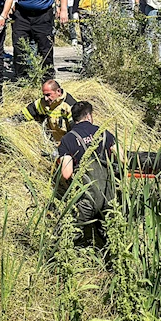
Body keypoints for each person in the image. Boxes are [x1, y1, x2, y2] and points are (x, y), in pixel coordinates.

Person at [57, 101, 117, 247]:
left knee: (69, 235)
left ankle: (65, 263)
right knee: (112, 237)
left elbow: (66, 173)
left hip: (87, 197)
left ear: (74, 118)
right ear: (89, 116)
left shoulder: (68, 139)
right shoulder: (103, 132)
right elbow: (123, 159)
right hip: (108, 195)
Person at [8, 79, 77, 145]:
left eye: (48, 95)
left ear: (58, 91)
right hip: (51, 143)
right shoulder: (43, 103)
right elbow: (27, 113)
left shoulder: (70, 106)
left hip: (67, 145)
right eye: (44, 95)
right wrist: (10, 121)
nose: (45, 99)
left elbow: (77, 131)